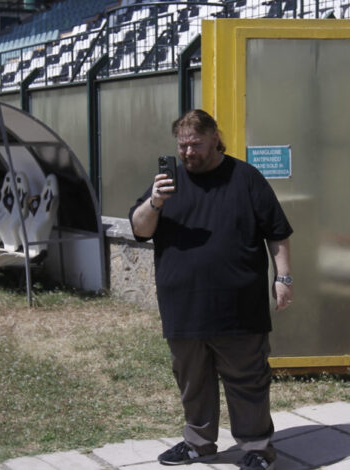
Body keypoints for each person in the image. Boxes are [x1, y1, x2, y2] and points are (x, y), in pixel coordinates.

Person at [129, 109, 293, 470]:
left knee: (247, 380)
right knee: (192, 381)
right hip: (183, 307)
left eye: (196, 144)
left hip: (239, 306)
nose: (188, 153)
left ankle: (256, 448)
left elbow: (277, 231)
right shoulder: (168, 183)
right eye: (182, 145)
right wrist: (155, 201)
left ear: (216, 138)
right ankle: (198, 443)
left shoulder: (245, 178)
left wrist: (283, 278)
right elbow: (140, 229)